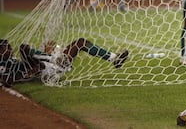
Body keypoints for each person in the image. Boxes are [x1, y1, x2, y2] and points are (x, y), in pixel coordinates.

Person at [0, 38, 129, 87]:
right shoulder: (3, 66)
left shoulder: (10, 61)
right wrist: (27, 74)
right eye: (7, 47)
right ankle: (53, 58)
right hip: (50, 71)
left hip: (49, 66)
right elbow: (7, 79)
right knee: (23, 48)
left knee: (81, 43)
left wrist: (46, 54)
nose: (10, 48)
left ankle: (114, 59)